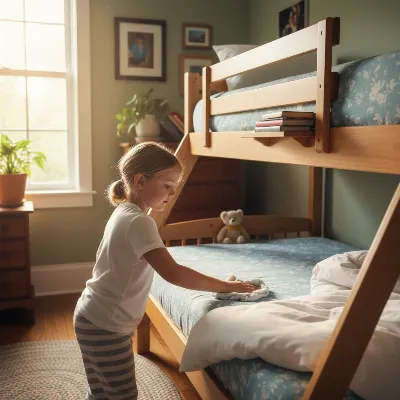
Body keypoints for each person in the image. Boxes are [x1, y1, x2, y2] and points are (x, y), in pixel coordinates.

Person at [73, 142, 259, 400]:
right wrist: (226, 286)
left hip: (93, 315)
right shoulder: (139, 222)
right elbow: (174, 273)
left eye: (175, 187)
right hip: (106, 325)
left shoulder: (124, 212)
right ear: (140, 180)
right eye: (167, 185)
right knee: (121, 394)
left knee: (102, 391)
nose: (173, 193)